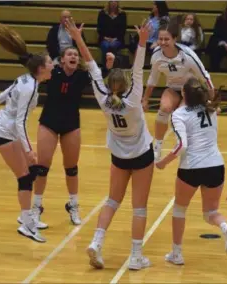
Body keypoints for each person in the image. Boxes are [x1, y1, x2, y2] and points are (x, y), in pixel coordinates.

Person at [65, 18, 154, 270]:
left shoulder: (103, 98)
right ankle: (136, 256)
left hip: (118, 155)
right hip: (141, 155)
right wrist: (143, 40)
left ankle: (96, 241)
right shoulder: (134, 99)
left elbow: (91, 63)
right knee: (139, 207)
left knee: (112, 201)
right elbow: (138, 67)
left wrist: (78, 37)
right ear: (126, 84)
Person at [17, 41, 115, 229]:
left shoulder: (81, 76)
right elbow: (32, 64)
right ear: (61, 60)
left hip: (71, 124)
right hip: (49, 123)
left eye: (75, 55)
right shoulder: (52, 73)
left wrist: (108, 66)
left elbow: (99, 75)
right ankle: (36, 208)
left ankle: (73, 205)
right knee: (42, 168)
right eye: (69, 54)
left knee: (71, 168)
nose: (73, 57)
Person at [0, 18, 54, 242]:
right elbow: (20, 122)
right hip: (4, 133)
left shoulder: (27, 79)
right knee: (24, 176)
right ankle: (26, 224)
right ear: (41, 69)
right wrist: (29, 148)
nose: (53, 64)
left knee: (33, 169)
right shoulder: (30, 87)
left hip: (7, 129)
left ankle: (28, 216)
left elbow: (7, 90)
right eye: (50, 62)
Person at [155, 78, 227, 264]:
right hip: (216, 165)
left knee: (179, 209)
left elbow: (182, 146)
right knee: (211, 213)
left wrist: (164, 162)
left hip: (191, 167)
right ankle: (224, 226)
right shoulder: (211, 108)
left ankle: (176, 254)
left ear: (183, 94)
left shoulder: (179, 114)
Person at [142, 18, 215, 162]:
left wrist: (212, 99)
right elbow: (153, 78)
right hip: (173, 88)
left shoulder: (188, 56)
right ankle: (157, 147)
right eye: (160, 39)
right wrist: (145, 99)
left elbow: (204, 77)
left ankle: (187, 148)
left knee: (184, 116)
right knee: (164, 109)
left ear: (175, 39)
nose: (163, 42)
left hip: (191, 91)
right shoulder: (157, 56)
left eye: (166, 39)